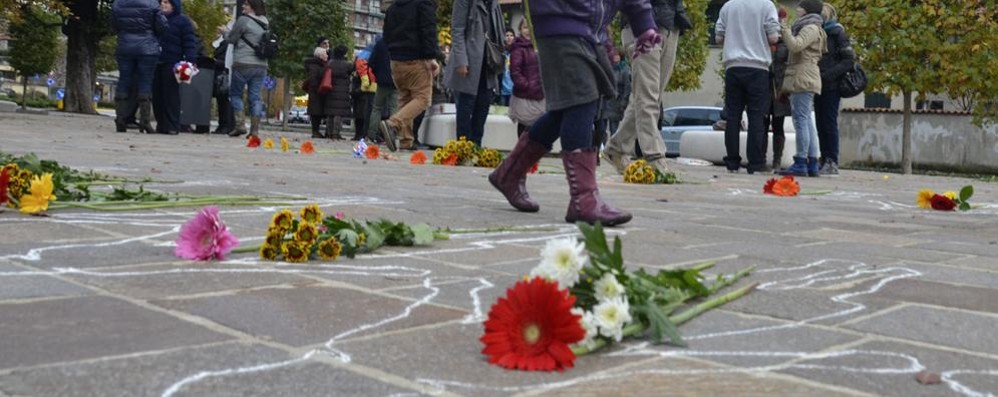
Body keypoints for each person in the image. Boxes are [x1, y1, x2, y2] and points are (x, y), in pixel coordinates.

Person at [488, 0, 661, 227]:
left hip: (590, 30)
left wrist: (644, 24)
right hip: (560, 21)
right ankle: (583, 199)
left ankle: (509, 173)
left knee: (566, 109)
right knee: (581, 101)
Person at [603, 0, 692, 175]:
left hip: (671, 24)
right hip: (641, 24)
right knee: (647, 97)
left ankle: (616, 148)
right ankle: (655, 157)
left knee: (648, 97)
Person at [716, 0, 781, 173]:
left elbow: (719, 38)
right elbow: (773, 37)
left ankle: (732, 162)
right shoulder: (767, 5)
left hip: (733, 67)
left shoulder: (728, 6)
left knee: (733, 116)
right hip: (758, 68)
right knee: (756, 118)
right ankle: (755, 163)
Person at [379, 0, 441, 152]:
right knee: (423, 98)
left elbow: (386, 36)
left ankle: (406, 140)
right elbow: (428, 31)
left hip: (395, 61)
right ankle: (393, 124)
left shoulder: (393, 8)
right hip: (416, 59)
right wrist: (431, 57)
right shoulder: (424, 4)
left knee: (405, 98)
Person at [444, 0, 505, 146]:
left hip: (489, 63)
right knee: (466, 105)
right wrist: (461, 61)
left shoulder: (494, 3)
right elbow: (457, 30)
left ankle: (476, 146)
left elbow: (499, 31)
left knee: (483, 104)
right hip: (469, 61)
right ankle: (463, 147)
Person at [777, 0, 827, 177]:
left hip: (803, 77)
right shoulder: (812, 27)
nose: (797, 10)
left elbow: (795, 45)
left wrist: (785, 29)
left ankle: (801, 161)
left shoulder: (810, 28)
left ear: (807, 10)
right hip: (805, 75)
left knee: (800, 119)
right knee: (806, 120)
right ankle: (811, 162)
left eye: (800, 7)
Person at [111, 0, 167, 134]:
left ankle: (120, 119)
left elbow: (113, 26)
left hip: (125, 46)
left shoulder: (118, 3)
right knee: (145, 83)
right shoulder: (152, 4)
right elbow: (162, 26)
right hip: (147, 47)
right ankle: (145, 121)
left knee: (123, 81)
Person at [815, 3, 855, 176]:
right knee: (820, 123)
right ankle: (824, 158)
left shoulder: (837, 33)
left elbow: (848, 61)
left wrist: (827, 76)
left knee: (829, 122)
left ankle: (831, 160)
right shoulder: (820, 33)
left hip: (832, 86)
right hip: (818, 84)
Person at [151, 0, 197, 135]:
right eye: (161, 2)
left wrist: (190, 59)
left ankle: (172, 125)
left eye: (167, 2)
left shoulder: (182, 21)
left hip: (172, 62)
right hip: (155, 60)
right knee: (157, 95)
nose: (163, 5)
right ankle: (161, 124)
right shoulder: (155, 19)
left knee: (171, 96)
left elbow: (189, 42)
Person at [225, 0, 269, 138]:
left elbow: (231, 39)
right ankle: (255, 130)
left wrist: (224, 33)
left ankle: (240, 125)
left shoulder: (243, 20)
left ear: (253, 7)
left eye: (246, 5)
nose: (243, 6)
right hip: (261, 65)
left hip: (243, 63)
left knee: (236, 94)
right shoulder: (265, 22)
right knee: (255, 97)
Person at [763, 10, 790, 170]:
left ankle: (777, 161)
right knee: (762, 124)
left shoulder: (786, 42)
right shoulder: (763, 40)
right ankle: (761, 159)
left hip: (780, 89)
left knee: (778, 126)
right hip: (765, 87)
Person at [507, 20, 544, 137]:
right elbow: (515, 71)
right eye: (525, 28)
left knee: (539, 129)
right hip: (525, 96)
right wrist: (526, 85)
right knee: (524, 129)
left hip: (540, 94)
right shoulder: (518, 48)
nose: (528, 31)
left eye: (531, 28)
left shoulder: (539, 46)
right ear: (520, 30)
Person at [366, 36, 397, 142]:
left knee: (377, 108)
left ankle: (371, 134)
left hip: (382, 81)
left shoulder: (380, 43)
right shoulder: (400, 42)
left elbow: (371, 62)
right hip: (397, 81)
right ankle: (392, 134)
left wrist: (377, 73)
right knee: (394, 108)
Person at [324, 45, 355, 140]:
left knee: (330, 112)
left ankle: (328, 132)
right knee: (338, 113)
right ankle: (336, 133)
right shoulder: (347, 65)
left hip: (330, 90)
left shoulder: (330, 63)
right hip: (342, 92)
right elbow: (353, 69)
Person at [303, 46, 329, 138]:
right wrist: (318, 88)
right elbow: (313, 79)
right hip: (316, 93)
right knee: (316, 114)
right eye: (325, 53)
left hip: (318, 92)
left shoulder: (320, 64)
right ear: (320, 55)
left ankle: (316, 131)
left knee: (317, 113)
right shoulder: (315, 66)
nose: (327, 55)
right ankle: (315, 131)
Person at [605, 48, 631, 137]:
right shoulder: (610, 68)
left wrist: (623, 103)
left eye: (617, 55)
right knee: (612, 128)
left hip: (621, 102)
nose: (615, 57)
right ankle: (613, 147)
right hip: (611, 103)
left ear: (621, 56)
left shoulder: (625, 69)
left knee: (623, 128)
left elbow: (627, 87)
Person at [350, 54, 376, 141]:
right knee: (358, 117)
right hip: (358, 95)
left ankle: (360, 135)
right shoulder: (356, 70)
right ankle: (358, 134)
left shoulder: (363, 69)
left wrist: (357, 91)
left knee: (361, 116)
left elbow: (365, 83)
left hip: (362, 95)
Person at [498, 28, 515, 106]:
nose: (509, 37)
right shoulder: (500, 52)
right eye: (507, 35)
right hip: (502, 90)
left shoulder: (517, 52)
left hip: (514, 91)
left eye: (511, 35)